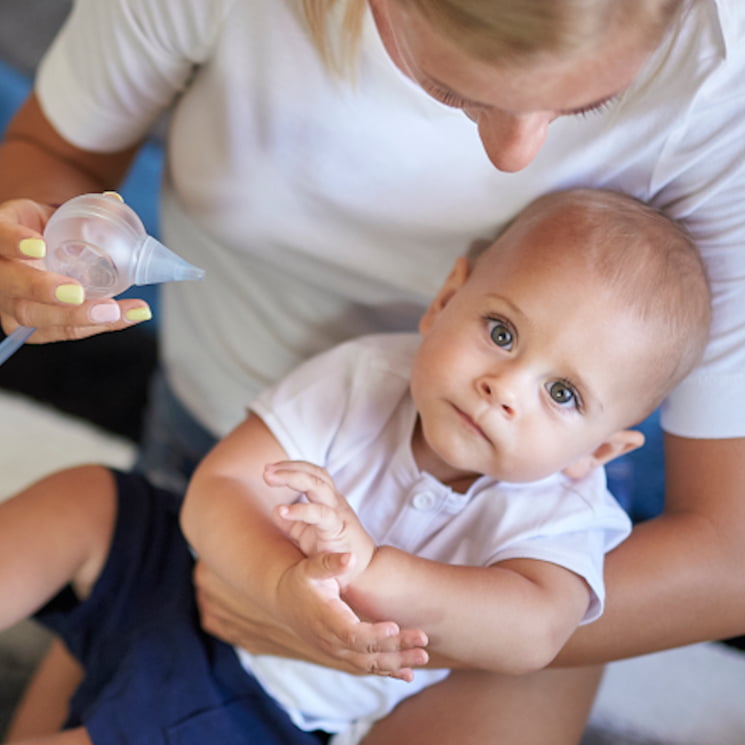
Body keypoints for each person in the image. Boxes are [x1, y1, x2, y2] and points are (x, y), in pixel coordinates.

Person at [0, 0, 744, 743]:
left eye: (562, 393)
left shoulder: (565, 513)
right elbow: (219, 489)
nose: (504, 387)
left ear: (602, 449)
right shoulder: (364, 374)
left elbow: (534, 630)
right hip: (211, 521)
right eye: (500, 332)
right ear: (445, 297)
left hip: (314, 683)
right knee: (78, 502)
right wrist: (27, 252)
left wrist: (368, 584)